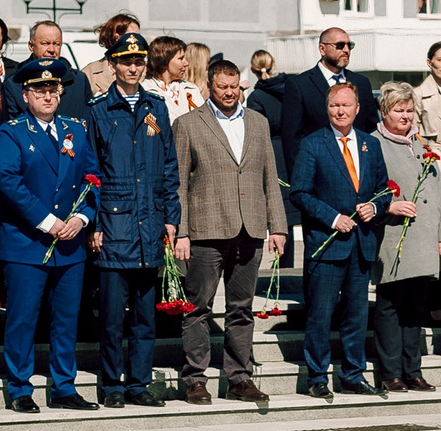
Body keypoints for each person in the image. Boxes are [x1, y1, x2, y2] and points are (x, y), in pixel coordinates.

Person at [170, 57, 286, 404]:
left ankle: (239, 378)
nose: (229, 93)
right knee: (197, 307)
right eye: (222, 87)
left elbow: (270, 177)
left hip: (250, 229)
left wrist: (277, 226)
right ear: (210, 86)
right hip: (205, 230)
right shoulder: (189, 124)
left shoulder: (258, 122)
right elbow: (178, 183)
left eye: (234, 87)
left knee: (242, 308)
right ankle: (195, 379)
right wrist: (181, 232)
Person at [0, 57, 97, 412]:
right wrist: (48, 221)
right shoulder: (12, 132)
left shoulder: (75, 130)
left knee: (66, 319)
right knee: (23, 318)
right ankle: (20, 386)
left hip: (71, 243)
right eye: (40, 90)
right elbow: (8, 181)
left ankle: (64, 385)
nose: (48, 96)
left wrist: (82, 217)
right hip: (28, 242)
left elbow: (92, 178)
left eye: (53, 89)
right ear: (26, 94)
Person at [88, 33, 179, 407]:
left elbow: (169, 167)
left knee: (145, 316)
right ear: (112, 64)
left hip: (150, 225)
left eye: (139, 61)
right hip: (114, 226)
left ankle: (138, 384)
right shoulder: (98, 110)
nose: (133, 67)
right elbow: (90, 172)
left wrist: (171, 218)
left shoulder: (156, 107)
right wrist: (94, 223)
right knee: (112, 318)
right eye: (125, 61)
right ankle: (112, 384)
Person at [292, 79, 389, 397]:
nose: (340, 110)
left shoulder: (370, 145)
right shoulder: (313, 144)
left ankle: (353, 373)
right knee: (320, 315)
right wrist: (332, 218)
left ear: (358, 109)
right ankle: (317, 377)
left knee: (356, 314)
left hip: (361, 243)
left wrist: (374, 207)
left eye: (346, 105)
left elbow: (384, 190)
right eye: (335, 105)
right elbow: (300, 193)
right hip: (328, 243)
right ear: (327, 109)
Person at [371, 82, 441, 392]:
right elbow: (368, 190)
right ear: (385, 111)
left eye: (409, 110)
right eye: (398, 110)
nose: (405, 116)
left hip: (423, 238)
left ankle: (412, 370)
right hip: (393, 236)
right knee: (391, 305)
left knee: (415, 307)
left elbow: (437, 192)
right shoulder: (374, 143)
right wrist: (389, 206)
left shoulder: (419, 144)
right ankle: (390, 371)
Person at [279, 29, 378, 205]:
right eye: (340, 45)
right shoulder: (299, 85)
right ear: (322, 49)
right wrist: (303, 189)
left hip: (360, 187)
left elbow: (371, 131)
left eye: (350, 45)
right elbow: (292, 141)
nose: (346, 50)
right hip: (319, 189)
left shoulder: (361, 83)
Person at [4, 21, 92, 120]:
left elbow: (88, 122)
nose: (51, 49)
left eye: (56, 44)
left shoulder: (79, 81)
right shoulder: (14, 83)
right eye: (45, 43)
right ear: (31, 46)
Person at [148, 37, 202, 122]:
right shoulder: (145, 90)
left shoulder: (191, 89)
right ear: (163, 62)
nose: (186, 63)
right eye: (181, 58)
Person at [246, 49, 286, 128]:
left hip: (271, 139)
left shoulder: (255, 98)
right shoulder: (294, 86)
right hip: (299, 139)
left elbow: (257, 129)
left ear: (252, 70)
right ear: (273, 64)